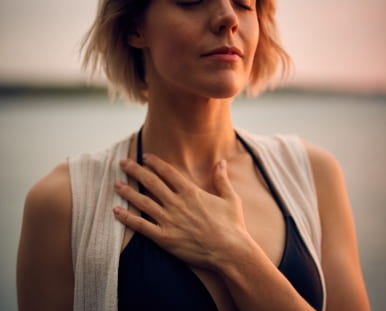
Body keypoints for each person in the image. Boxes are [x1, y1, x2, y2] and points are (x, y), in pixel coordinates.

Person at [17, 0, 371, 310]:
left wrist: (234, 253)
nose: (227, 17)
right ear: (134, 26)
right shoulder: (64, 203)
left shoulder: (313, 174)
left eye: (244, 2)